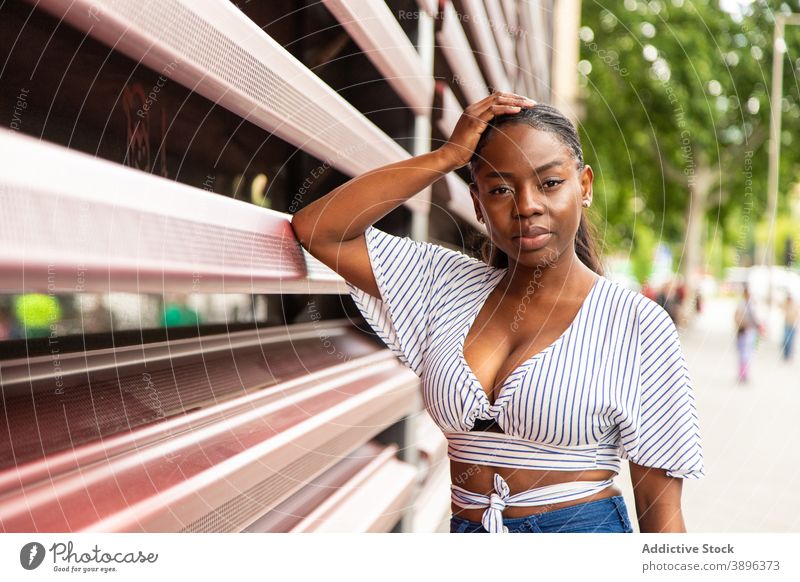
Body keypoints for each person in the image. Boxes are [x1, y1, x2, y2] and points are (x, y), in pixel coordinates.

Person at [291, 91, 704, 533]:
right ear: (477, 203)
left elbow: (660, 513)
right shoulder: (444, 286)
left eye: (549, 183)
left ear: (583, 187)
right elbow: (319, 229)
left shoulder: (636, 324)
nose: (526, 205)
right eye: (501, 189)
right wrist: (447, 156)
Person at [733, 285, 761, 383]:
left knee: (748, 354)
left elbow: (756, 318)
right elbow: (736, 318)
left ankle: (745, 374)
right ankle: (742, 374)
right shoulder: (741, 305)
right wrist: (743, 324)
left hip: (750, 332)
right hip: (743, 331)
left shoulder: (752, 305)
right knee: (743, 354)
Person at [782, 295, 798, 361]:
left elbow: (797, 316)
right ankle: (786, 355)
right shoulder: (786, 305)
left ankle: (789, 355)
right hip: (787, 325)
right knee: (786, 340)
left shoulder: (795, 306)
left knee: (791, 341)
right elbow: (781, 306)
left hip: (793, 326)